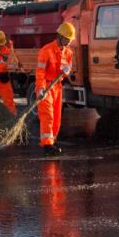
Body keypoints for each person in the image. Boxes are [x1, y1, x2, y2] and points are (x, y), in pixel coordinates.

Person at [36, 22, 75, 155]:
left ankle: (52, 140)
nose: (69, 42)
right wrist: (40, 88)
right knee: (48, 115)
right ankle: (47, 145)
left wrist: (67, 71)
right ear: (59, 36)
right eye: (67, 39)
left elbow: (68, 67)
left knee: (57, 116)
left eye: (70, 40)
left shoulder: (68, 52)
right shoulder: (46, 51)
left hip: (57, 86)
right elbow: (40, 71)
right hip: (46, 85)